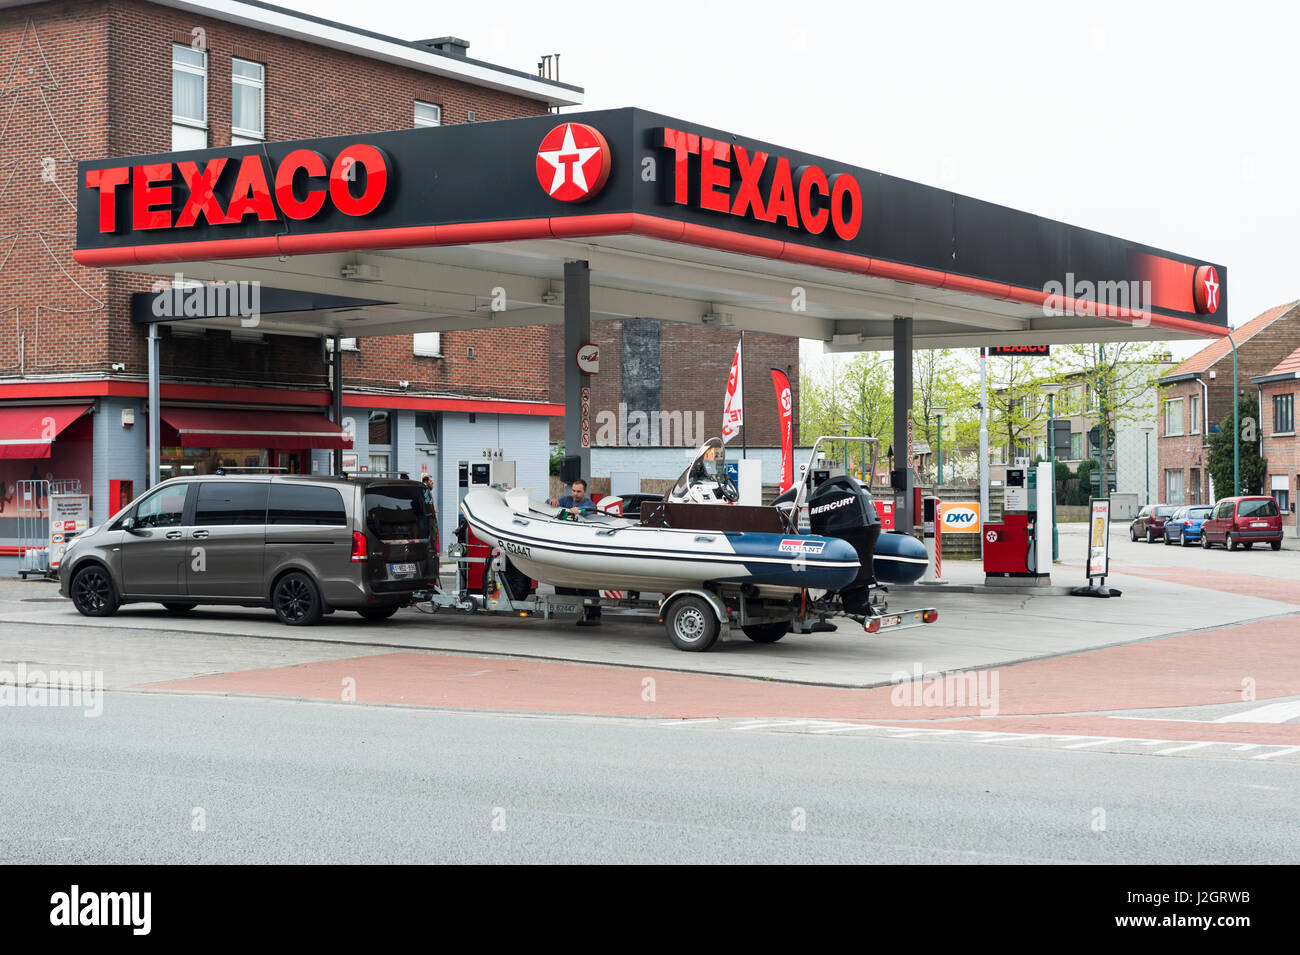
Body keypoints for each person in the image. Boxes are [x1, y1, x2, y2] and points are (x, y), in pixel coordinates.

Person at [547, 478, 601, 626]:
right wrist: (551, 501)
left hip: (584, 548)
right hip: (568, 547)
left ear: (584, 492)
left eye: (579, 491)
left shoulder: (588, 504)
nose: (576, 494)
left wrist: (580, 512)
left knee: (588, 585)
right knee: (578, 585)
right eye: (574, 491)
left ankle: (594, 615)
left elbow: (591, 511)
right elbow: (552, 504)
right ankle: (587, 614)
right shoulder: (567, 500)